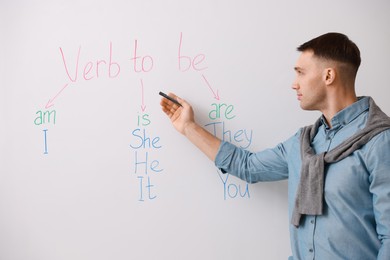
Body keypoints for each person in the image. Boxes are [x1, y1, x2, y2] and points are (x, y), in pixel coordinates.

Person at [160, 32, 390, 259]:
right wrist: (189, 127)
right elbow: (248, 166)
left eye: (301, 72)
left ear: (328, 76)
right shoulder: (305, 144)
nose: (294, 84)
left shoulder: (380, 140)